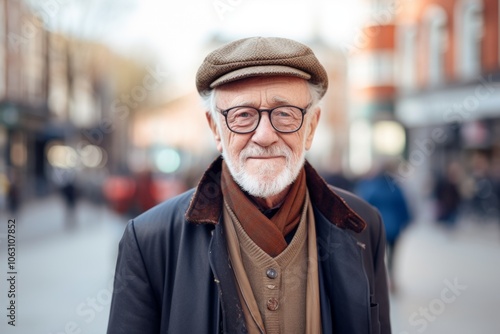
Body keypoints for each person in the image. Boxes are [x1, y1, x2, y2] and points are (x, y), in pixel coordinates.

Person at [107, 37, 391, 334]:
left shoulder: (361, 225)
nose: (264, 135)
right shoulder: (150, 239)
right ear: (216, 128)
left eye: (284, 113)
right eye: (242, 115)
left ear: (311, 127)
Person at [355, 160, 411, 293]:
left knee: (376, 255)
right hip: (394, 228)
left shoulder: (371, 187)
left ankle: (378, 282)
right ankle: (392, 280)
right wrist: (404, 222)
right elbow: (404, 208)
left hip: (377, 228)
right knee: (392, 256)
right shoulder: (396, 188)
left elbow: (364, 206)